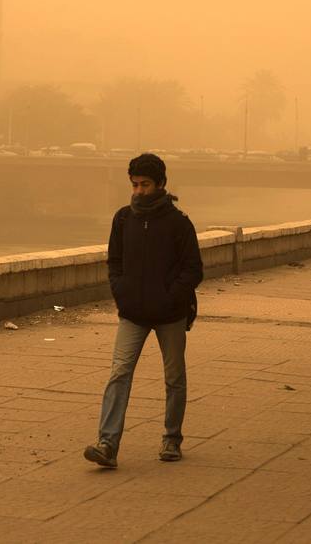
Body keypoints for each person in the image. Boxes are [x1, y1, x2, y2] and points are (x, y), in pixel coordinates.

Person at [84, 153, 203, 469]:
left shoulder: (179, 223)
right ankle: (107, 444)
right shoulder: (123, 219)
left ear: (161, 184)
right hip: (132, 313)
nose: (138, 191)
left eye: (145, 185)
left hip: (170, 314)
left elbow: (193, 270)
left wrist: (170, 298)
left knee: (174, 378)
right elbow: (114, 262)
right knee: (119, 374)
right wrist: (121, 292)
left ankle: (171, 439)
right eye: (134, 185)